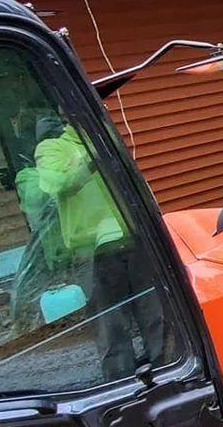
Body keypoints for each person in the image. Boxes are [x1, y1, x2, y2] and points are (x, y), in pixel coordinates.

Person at [28, 117, 165, 381]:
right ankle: (122, 384)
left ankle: (167, 372)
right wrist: (92, 158)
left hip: (132, 240)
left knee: (154, 314)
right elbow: (56, 184)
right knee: (110, 324)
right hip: (92, 251)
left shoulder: (109, 140)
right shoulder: (53, 148)